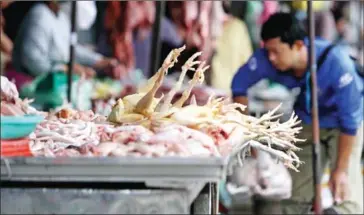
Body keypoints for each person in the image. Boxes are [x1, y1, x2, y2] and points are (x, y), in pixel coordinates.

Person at [231, 12, 363, 214]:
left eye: (276, 51)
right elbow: (239, 85)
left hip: (344, 125)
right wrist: (250, 137)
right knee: (291, 195)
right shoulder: (267, 59)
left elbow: (351, 121)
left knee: (345, 189)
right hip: (308, 117)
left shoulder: (337, 65)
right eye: (268, 51)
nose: (271, 58)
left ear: (299, 45)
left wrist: (341, 169)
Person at [11, 1, 120, 90]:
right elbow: (32, 61)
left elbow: (69, 47)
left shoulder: (61, 18)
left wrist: (98, 60)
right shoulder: (40, 15)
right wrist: (65, 68)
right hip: (30, 88)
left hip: (53, 88)